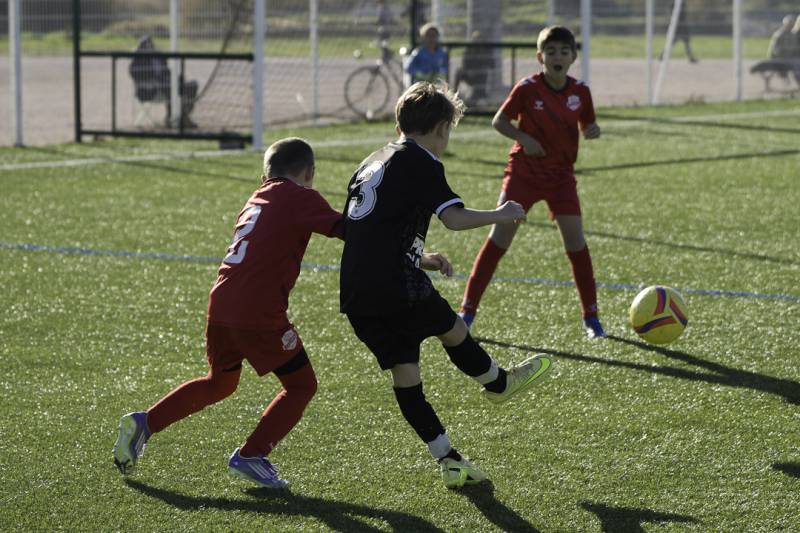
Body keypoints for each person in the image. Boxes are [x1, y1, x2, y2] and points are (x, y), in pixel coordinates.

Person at [339, 81, 552, 489]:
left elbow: (367, 232)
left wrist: (419, 257)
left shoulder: (371, 160)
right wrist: (500, 213)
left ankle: (449, 461)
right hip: (396, 284)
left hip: (357, 291)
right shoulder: (421, 161)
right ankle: (498, 383)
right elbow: (452, 218)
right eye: (448, 130)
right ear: (440, 128)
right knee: (453, 330)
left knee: (407, 376)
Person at [113, 138, 344, 488]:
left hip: (221, 304)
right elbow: (351, 232)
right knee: (301, 385)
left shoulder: (256, 198)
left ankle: (145, 423)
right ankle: (252, 455)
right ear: (310, 172)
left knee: (220, 383)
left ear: (265, 173)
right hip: (258, 312)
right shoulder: (300, 196)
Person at [458, 26, 605, 339]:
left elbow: (588, 124)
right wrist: (522, 137)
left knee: (576, 243)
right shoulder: (527, 88)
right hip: (524, 174)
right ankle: (467, 311)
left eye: (564, 51)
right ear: (540, 57)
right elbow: (499, 121)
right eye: (550, 52)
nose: (557, 57)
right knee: (499, 239)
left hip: (561, 177)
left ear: (573, 57)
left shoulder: (581, 92)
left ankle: (591, 318)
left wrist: (592, 130)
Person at [129, 35, 199, 128]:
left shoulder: (159, 58)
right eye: (145, 45)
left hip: (166, 85)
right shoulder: (138, 61)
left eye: (150, 44)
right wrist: (154, 78)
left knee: (192, 85)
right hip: (149, 91)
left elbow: (167, 72)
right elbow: (135, 74)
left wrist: (178, 78)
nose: (149, 47)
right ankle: (174, 117)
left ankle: (183, 114)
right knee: (170, 87)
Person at [453, 31, 493, 102]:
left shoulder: (486, 50)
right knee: (459, 71)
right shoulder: (469, 49)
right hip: (469, 74)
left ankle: (478, 94)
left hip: (480, 75)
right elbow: (464, 62)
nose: (477, 41)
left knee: (484, 72)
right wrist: (468, 71)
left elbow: (492, 64)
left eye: (479, 39)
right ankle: (454, 93)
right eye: (475, 39)